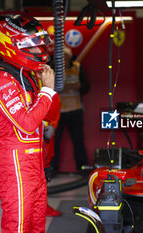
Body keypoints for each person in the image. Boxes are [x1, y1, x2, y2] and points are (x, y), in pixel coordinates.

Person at [0, 14, 59, 232]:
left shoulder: (26, 77)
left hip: (35, 161)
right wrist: (46, 90)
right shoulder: (1, 80)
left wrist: (48, 89)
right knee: (18, 226)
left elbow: (44, 115)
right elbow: (26, 123)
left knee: (37, 224)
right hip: (15, 162)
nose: (39, 51)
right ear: (11, 45)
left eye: (39, 44)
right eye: (32, 45)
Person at [52, 47, 90, 175]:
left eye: (67, 57)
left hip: (75, 111)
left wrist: (78, 86)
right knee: (54, 141)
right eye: (62, 57)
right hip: (59, 112)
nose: (65, 59)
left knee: (78, 140)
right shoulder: (53, 69)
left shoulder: (77, 67)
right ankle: (52, 168)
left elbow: (87, 86)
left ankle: (82, 168)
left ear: (70, 57)